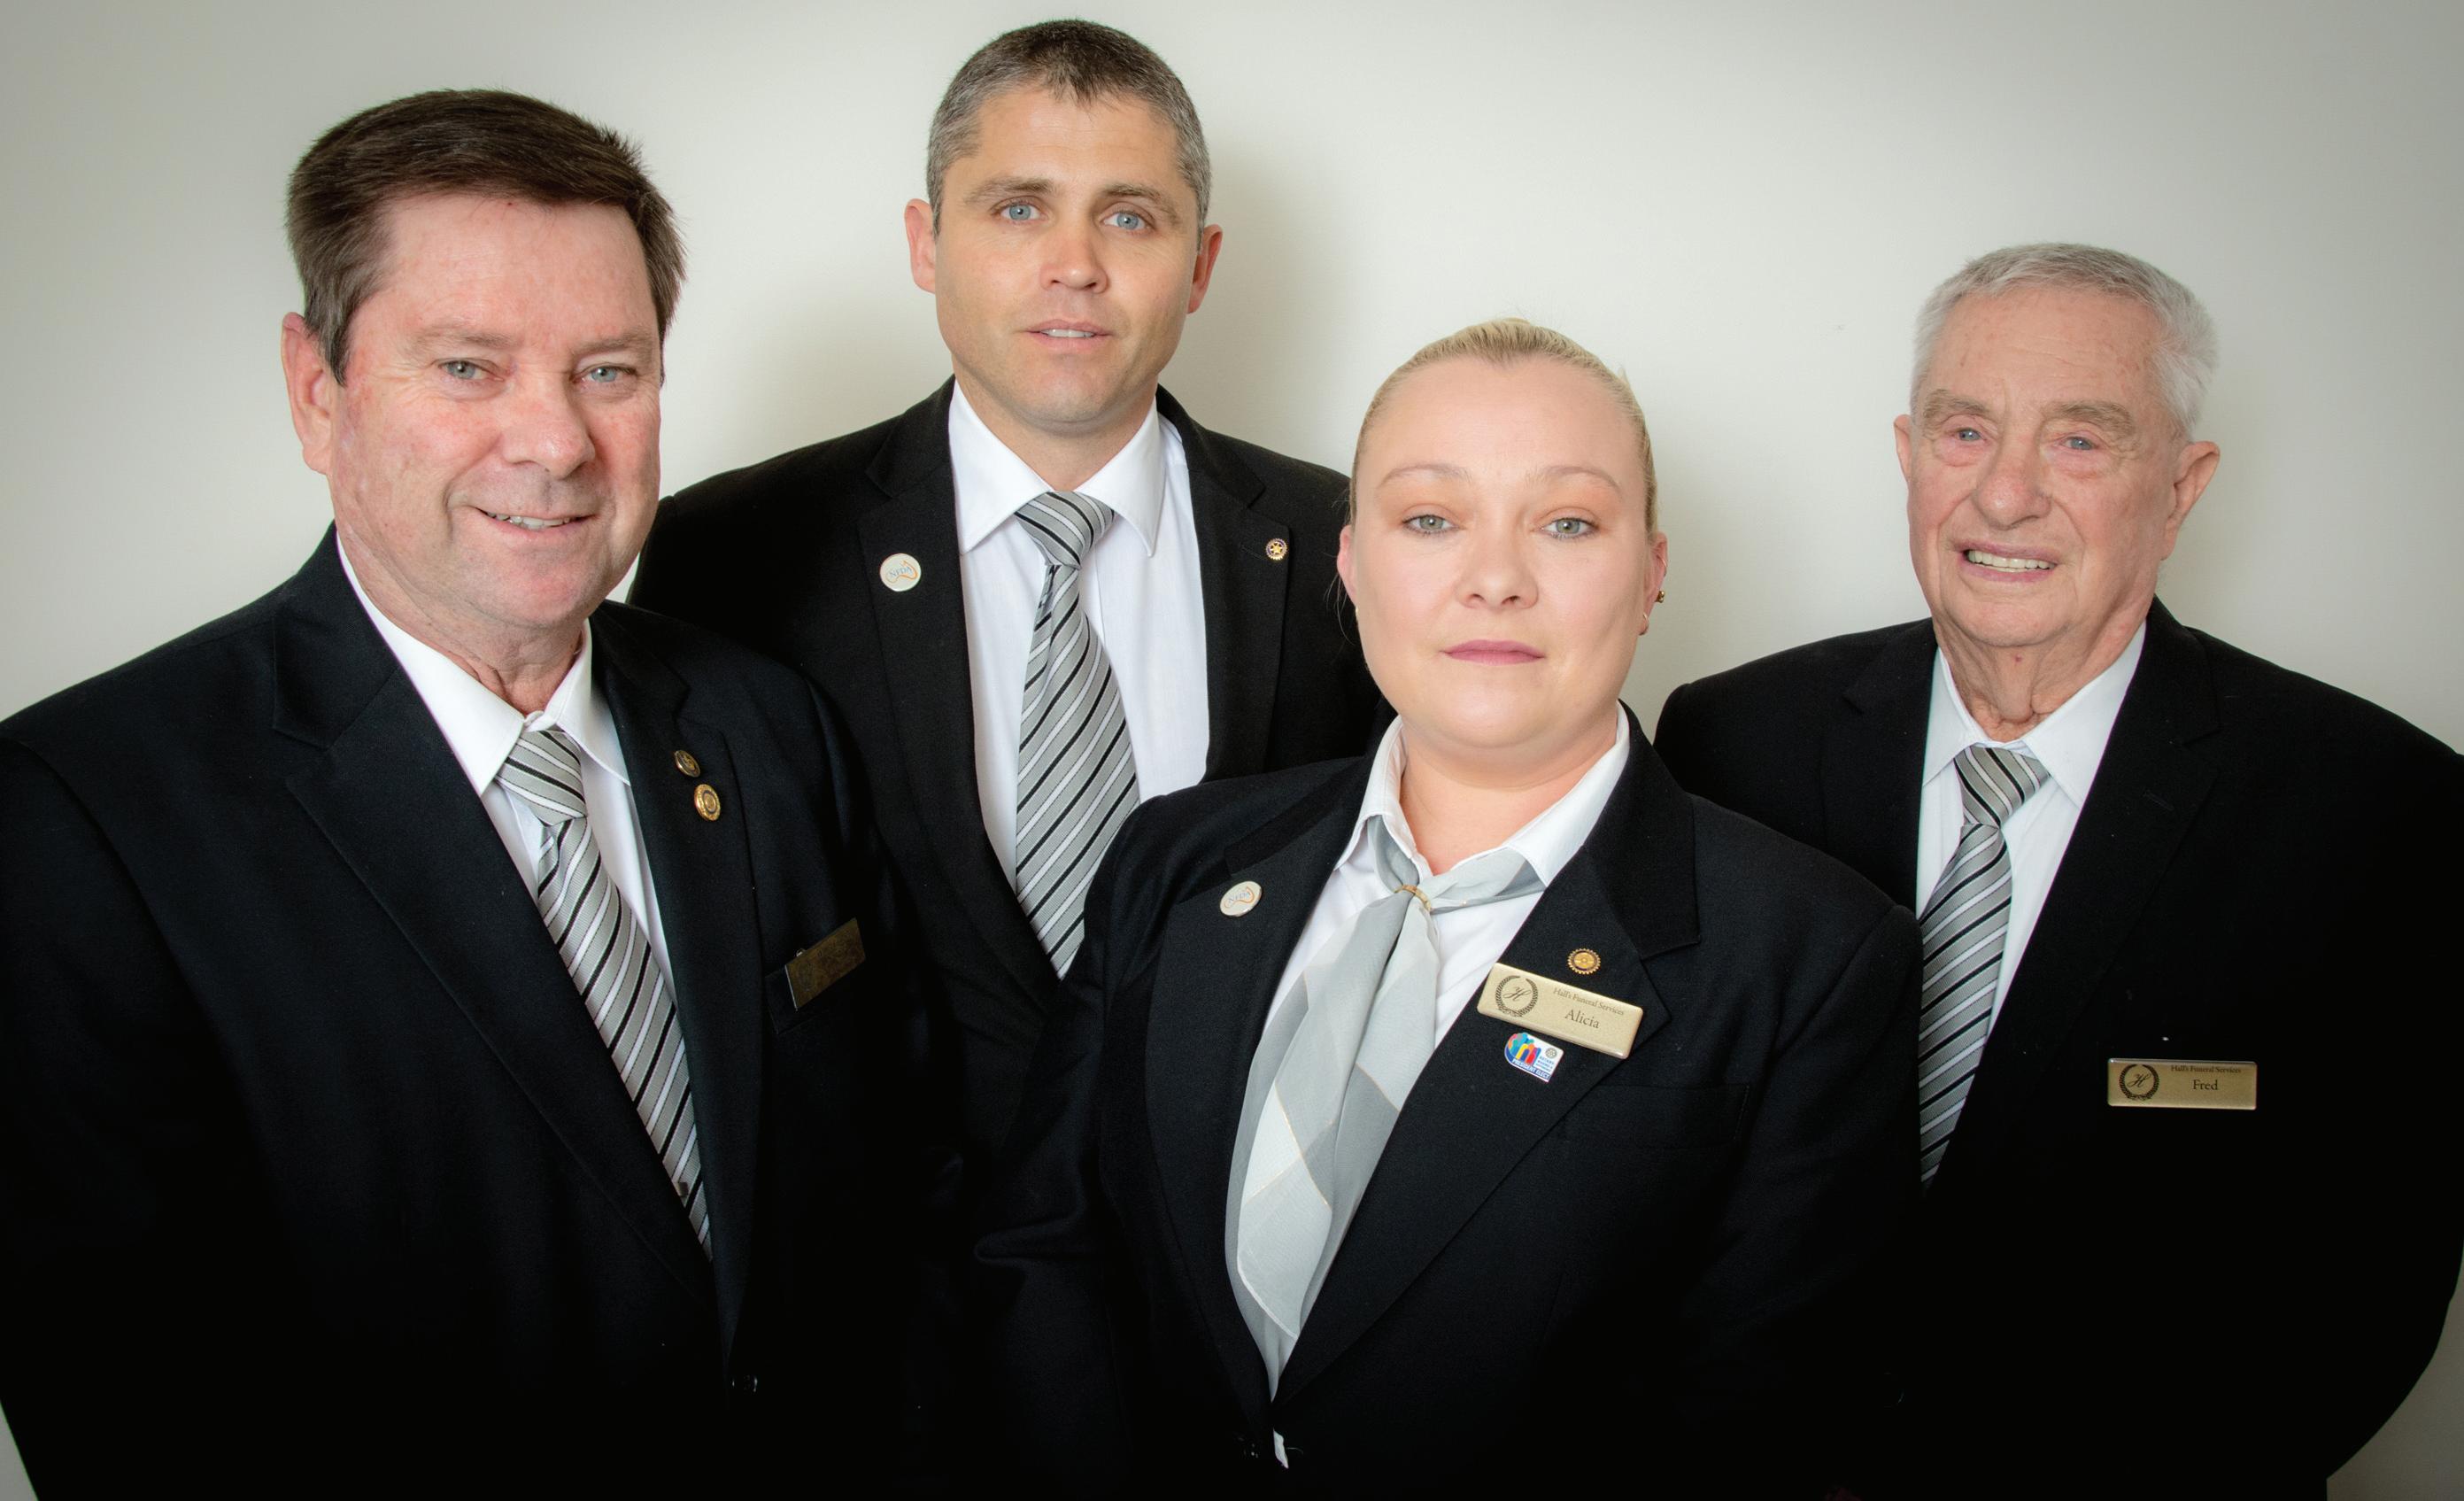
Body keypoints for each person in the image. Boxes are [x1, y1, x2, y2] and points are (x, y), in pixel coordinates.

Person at [0, 89, 946, 1488]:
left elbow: (896, 1190)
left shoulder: (766, 727)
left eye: (608, 371)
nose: (554, 443)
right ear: (316, 390)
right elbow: (134, 1407)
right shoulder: (84, 820)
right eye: (466, 368)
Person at [976, 319, 1918, 1491]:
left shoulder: (1812, 956)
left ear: (1652, 573)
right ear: (1351, 563)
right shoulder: (1178, 859)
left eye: (1567, 524)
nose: (1496, 578)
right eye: (1430, 519)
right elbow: (1046, 1246)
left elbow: (1756, 1419)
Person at [1654, 243, 2463, 1494]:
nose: (2006, 494)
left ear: (2182, 486)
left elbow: (2365, 1292)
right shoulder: (1731, 740)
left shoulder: (2376, 810)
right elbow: (1648, 1170)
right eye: (1965, 431)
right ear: (1909, 453)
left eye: (2080, 440)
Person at [630, 20, 1382, 1166]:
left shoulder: (1353, 542)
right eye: (1019, 208)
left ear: (1201, 264)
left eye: (1130, 217)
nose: (1074, 264)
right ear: (925, 243)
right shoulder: (733, 556)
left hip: (1235, 1236)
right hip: (882, 1254)